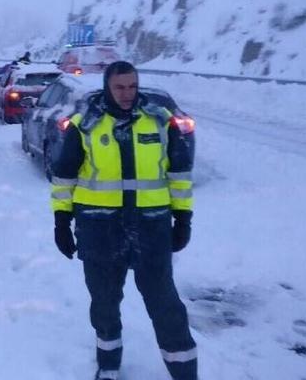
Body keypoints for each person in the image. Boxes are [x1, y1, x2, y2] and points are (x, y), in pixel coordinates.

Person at [50, 61, 197, 380]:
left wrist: (183, 219)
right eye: (119, 87)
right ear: (107, 87)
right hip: (99, 230)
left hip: (151, 228)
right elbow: (63, 178)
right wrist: (61, 222)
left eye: (132, 86)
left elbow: (180, 176)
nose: (127, 93)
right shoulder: (84, 125)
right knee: (104, 305)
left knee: (166, 306)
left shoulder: (160, 122)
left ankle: (185, 372)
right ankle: (108, 366)